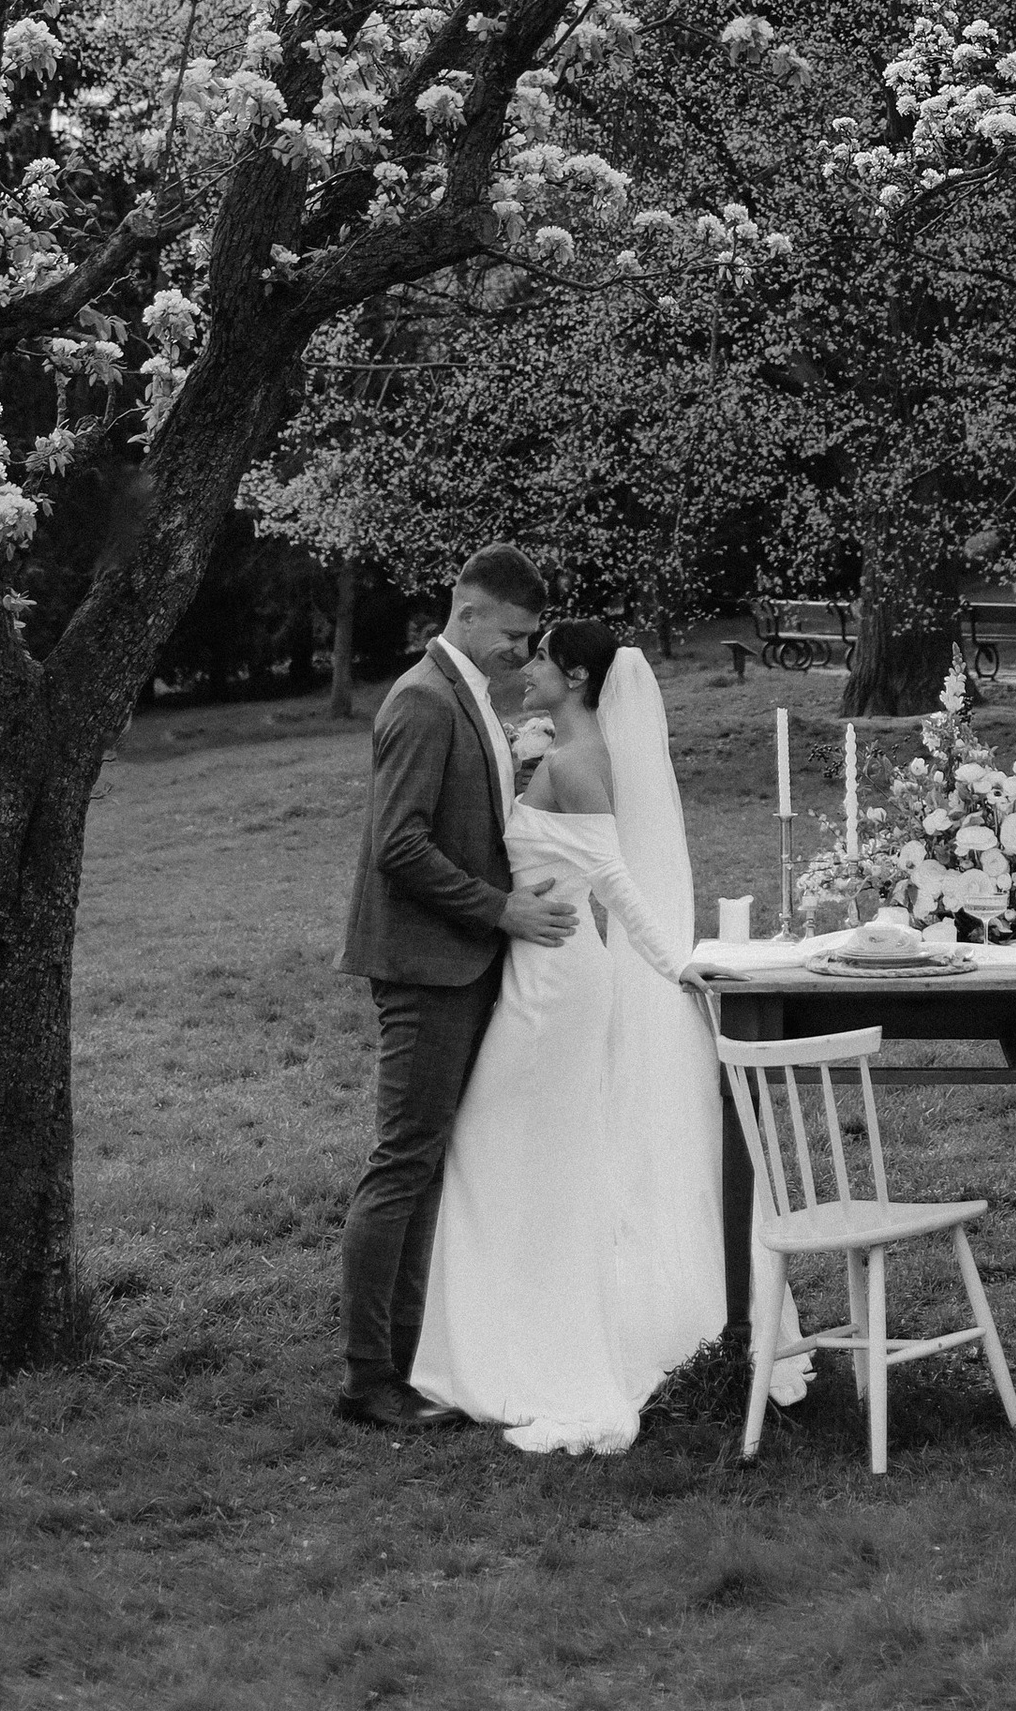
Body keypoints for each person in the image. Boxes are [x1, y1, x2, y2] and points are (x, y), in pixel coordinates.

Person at [408, 620, 748, 1453]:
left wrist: (675, 965)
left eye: (541, 661)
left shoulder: (575, 763)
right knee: (515, 1152)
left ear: (578, 675)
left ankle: (534, 1348)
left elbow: (615, 882)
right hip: (538, 971)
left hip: (558, 987)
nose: (527, 671)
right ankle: (511, 1329)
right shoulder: (562, 754)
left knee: (496, 1145)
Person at [336, 544, 577, 1430]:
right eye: (514, 635)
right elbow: (397, 847)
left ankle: (408, 1362)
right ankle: (368, 1380)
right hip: (425, 965)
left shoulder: (466, 692)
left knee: (425, 1165)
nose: (522, 652)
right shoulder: (423, 700)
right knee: (401, 1165)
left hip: (457, 961)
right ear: (469, 613)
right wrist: (502, 911)